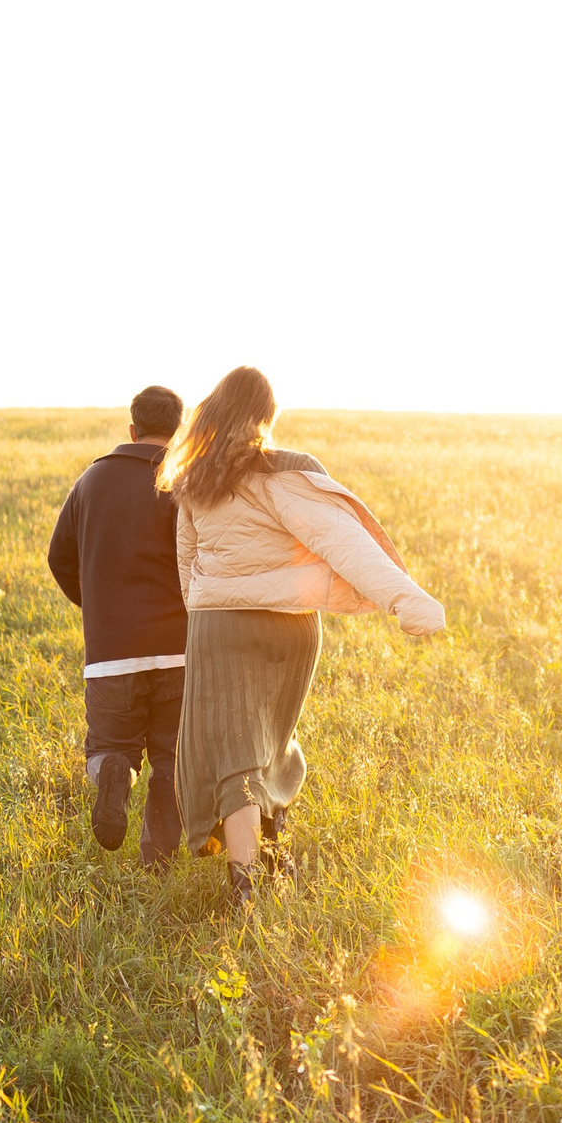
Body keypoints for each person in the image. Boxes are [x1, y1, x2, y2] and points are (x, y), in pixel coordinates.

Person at [159, 365, 445, 903]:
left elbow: (187, 564)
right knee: (269, 742)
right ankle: (273, 852)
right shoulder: (286, 476)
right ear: (265, 417)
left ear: (214, 413)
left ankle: (246, 884)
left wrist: (204, 614)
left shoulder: (193, 479)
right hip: (290, 630)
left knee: (233, 754)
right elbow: (345, 542)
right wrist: (406, 599)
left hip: (220, 628)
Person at [46, 386, 189, 864]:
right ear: (179, 430)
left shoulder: (92, 479)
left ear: (131, 428)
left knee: (110, 748)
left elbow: (58, 556)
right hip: (179, 650)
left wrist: (99, 608)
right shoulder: (183, 482)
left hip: (110, 654)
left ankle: (113, 772)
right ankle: (159, 861)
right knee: (170, 759)